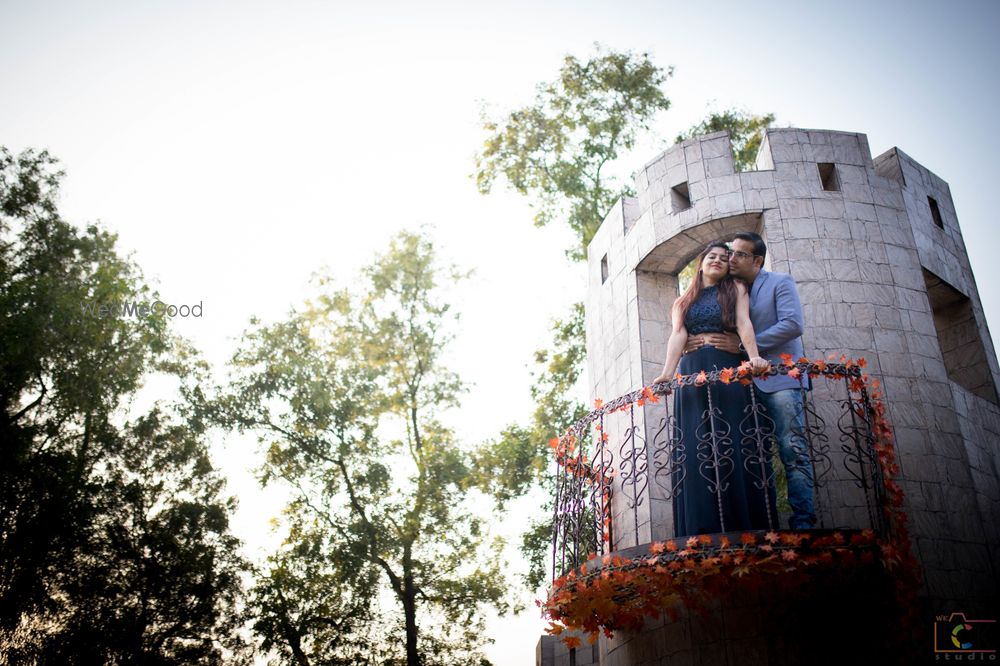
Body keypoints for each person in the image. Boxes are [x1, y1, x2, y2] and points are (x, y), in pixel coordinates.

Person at [684, 231, 817, 530]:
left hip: (778, 380)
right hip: (740, 387)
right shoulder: (728, 289)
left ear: (757, 260)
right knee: (752, 454)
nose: (731, 259)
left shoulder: (779, 282)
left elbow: (793, 324)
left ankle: (803, 519)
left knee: (791, 449)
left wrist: (743, 346)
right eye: (730, 253)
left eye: (739, 254)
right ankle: (762, 521)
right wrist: (695, 342)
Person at [651, 241, 776, 536]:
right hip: (693, 374)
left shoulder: (735, 289)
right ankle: (701, 526)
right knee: (697, 445)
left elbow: (744, 323)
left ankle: (743, 523)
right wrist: (667, 374)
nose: (718, 260)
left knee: (733, 440)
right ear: (701, 262)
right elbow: (678, 335)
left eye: (723, 257)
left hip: (728, 370)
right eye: (712, 256)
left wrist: (753, 355)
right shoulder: (682, 301)